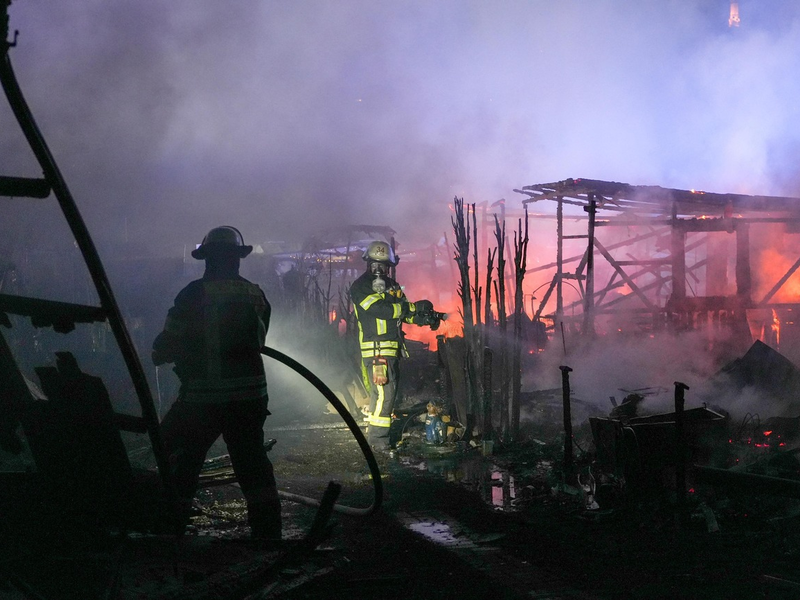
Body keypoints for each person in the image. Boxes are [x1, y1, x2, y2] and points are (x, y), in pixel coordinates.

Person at [151, 226, 281, 540]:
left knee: (179, 458)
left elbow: (166, 345)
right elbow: (258, 341)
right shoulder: (255, 293)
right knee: (253, 466)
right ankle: (268, 535)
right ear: (238, 259)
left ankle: (170, 530)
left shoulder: (193, 294)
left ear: (206, 259)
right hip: (249, 398)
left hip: (203, 400)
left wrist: (163, 351)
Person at [349, 240, 441, 452]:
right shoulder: (360, 287)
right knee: (384, 395)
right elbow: (379, 309)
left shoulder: (392, 286)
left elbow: (404, 312)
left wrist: (422, 316)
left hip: (392, 350)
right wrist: (405, 308)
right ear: (368, 263)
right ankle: (378, 441)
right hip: (376, 351)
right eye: (375, 264)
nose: (379, 269)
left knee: (385, 395)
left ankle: (378, 437)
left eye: (384, 265)